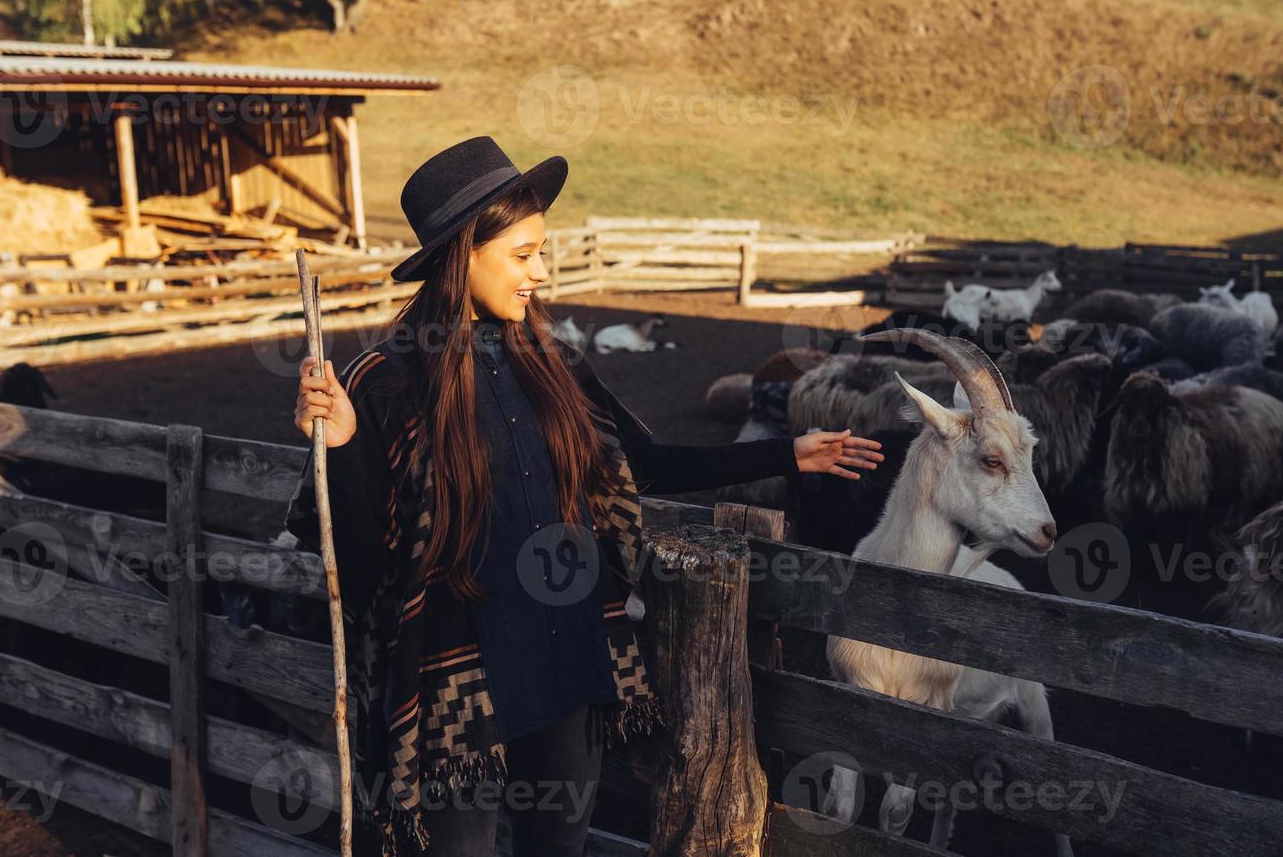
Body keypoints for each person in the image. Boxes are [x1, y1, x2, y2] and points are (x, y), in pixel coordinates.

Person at [286, 135, 884, 857]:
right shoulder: (382, 383)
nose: (539, 272)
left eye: (542, 251)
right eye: (521, 254)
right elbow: (357, 565)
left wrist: (787, 452)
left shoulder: (554, 363)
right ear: (460, 255)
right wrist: (343, 447)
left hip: (569, 660)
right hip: (456, 685)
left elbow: (645, 464)